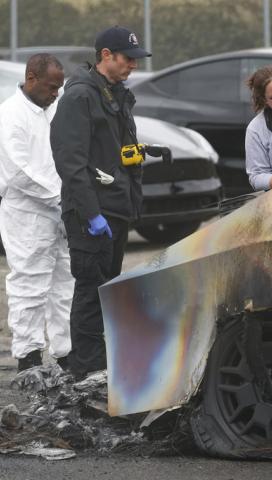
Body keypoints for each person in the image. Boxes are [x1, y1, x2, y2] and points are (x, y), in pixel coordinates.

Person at [50, 26, 151, 380]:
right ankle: (87, 371)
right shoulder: (79, 98)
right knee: (91, 292)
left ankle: (104, 365)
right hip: (91, 213)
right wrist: (91, 213)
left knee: (108, 289)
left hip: (115, 209)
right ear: (106, 55)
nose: (132, 66)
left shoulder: (116, 94)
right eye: (127, 59)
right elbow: (70, 163)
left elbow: (118, 151)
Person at [0, 54, 73, 372]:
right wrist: (61, 198)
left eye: (59, 87)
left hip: (60, 210)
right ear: (31, 78)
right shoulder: (10, 115)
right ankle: (28, 357)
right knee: (30, 283)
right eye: (51, 86)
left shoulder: (54, 110)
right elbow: (18, 171)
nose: (56, 92)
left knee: (65, 282)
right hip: (27, 213)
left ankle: (65, 352)